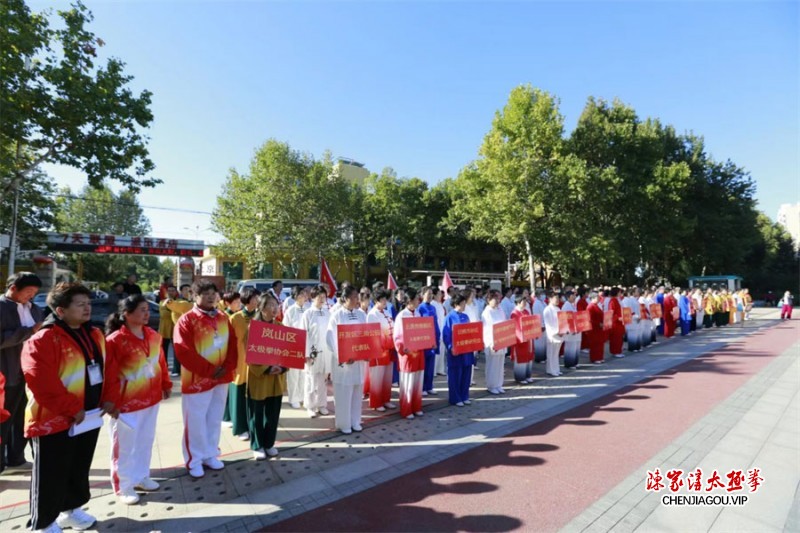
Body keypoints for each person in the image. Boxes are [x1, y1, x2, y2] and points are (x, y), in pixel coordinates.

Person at [22, 282, 116, 532]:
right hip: (53, 420)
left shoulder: (94, 333)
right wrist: (70, 408)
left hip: (88, 416)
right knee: (50, 473)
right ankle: (42, 523)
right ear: (61, 310)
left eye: (88, 303)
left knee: (78, 467)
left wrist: (108, 397)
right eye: (80, 304)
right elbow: (41, 382)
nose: (87, 309)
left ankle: (71, 511)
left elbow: (108, 368)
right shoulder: (43, 338)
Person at [103, 295, 172, 505]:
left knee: (145, 441)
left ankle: (141, 476)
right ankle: (123, 486)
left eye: (146, 310)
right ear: (127, 314)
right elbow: (109, 374)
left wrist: (166, 384)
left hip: (150, 399)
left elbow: (160, 361)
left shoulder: (152, 335)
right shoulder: (114, 340)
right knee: (124, 447)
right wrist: (111, 402)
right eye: (141, 310)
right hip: (126, 404)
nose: (146, 313)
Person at [172, 280, 238, 478]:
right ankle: (194, 459)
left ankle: (211, 454)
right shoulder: (186, 320)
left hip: (221, 378)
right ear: (194, 296)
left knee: (214, 418)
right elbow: (183, 352)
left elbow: (233, 345)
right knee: (195, 420)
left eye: (213, 293)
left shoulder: (223, 317)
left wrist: (226, 367)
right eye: (205, 293)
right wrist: (209, 370)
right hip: (197, 380)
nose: (211, 296)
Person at [0, 272, 43, 474]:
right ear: (13, 288)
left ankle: (16, 459)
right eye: (28, 291)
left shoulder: (34, 309)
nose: (31, 296)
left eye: (34, 292)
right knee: (3, 420)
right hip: (6, 373)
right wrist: (29, 332)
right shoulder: (2, 307)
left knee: (23, 419)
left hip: (29, 374)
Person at [246, 294, 287, 460]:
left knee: (273, 413)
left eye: (276, 305)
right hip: (260, 377)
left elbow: (288, 352)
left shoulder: (281, 326)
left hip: (276, 377)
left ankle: (269, 443)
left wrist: (283, 367)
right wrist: (266, 368)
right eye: (270, 305)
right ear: (261, 309)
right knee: (257, 412)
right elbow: (249, 354)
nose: (275, 308)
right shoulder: (253, 328)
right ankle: (257, 445)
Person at [326, 285, 368, 434]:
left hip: (358, 362)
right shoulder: (336, 315)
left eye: (358, 297)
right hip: (344, 363)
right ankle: (344, 423)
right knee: (344, 393)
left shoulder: (362, 315)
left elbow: (367, 336)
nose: (357, 300)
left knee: (357, 391)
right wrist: (342, 356)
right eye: (354, 297)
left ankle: (355, 420)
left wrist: (367, 352)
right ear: (345, 298)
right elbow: (331, 339)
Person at [228, 288, 261, 441]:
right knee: (239, 397)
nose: (258, 300)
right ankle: (241, 427)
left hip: (256, 365)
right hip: (240, 364)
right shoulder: (235, 319)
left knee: (255, 397)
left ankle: (254, 425)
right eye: (255, 298)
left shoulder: (261, 317)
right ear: (247, 299)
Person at [300, 286, 332, 418]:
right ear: (313, 298)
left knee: (323, 380)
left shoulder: (327, 313)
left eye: (324, 297)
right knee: (311, 380)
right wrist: (307, 354)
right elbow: (304, 334)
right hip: (312, 352)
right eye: (319, 297)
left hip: (325, 352)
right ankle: (310, 406)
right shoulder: (308, 313)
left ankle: (322, 404)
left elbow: (330, 333)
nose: (322, 300)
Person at [393, 288, 426, 419]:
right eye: (417, 298)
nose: (419, 301)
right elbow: (397, 336)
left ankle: (416, 406)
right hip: (407, 355)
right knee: (407, 382)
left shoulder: (418, 313)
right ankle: (407, 409)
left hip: (419, 353)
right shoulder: (401, 316)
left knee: (418, 381)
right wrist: (402, 348)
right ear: (410, 301)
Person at [442, 293, 475, 407]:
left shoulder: (466, 316)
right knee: (456, 374)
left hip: (466, 350)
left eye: (464, 303)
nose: (464, 305)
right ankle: (455, 398)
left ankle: (464, 395)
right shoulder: (450, 317)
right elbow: (446, 334)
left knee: (466, 373)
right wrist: (450, 347)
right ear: (456, 304)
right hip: (455, 351)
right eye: (462, 303)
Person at [366, 290, 397, 412]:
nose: (385, 301)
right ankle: (376, 402)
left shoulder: (387, 312)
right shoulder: (372, 314)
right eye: (382, 299)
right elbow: (373, 334)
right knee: (377, 377)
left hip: (389, 349)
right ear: (376, 301)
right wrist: (385, 343)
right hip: (379, 351)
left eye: (385, 299)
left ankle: (386, 399)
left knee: (387, 377)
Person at [283, 287, 309, 409]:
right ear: (294, 297)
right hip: (293, 345)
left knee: (304, 374)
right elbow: (286, 328)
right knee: (293, 374)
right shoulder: (290, 311)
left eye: (304, 294)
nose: (302, 297)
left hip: (306, 344)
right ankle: (293, 398)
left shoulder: (309, 309)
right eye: (299, 295)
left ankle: (303, 396)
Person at [416, 286, 441, 396]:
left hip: (433, 339)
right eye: (428, 294)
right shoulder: (420, 308)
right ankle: (423, 387)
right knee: (424, 364)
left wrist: (437, 337)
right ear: (422, 295)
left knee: (431, 364)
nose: (430, 296)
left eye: (431, 294)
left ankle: (429, 386)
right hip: (424, 340)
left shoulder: (433, 307)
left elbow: (435, 323)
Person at [481, 290, 507, 394]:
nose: (497, 301)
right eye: (494, 299)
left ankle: (498, 384)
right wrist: (491, 343)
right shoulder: (487, 312)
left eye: (497, 299)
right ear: (488, 300)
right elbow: (487, 330)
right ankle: (491, 385)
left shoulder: (500, 310)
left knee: (500, 364)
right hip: (492, 343)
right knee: (492, 365)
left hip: (501, 341)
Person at [164, 284, 193, 376]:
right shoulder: (180, 303)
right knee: (179, 350)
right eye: (185, 289)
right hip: (181, 330)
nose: (188, 291)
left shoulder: (190, 302)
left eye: (189, 290)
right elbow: (171, 305)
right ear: (180, 291)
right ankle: (176, 370)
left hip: (190, 331)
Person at [510, 295, 534, 383]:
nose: (525, 304)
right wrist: (522, 336)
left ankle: (527, 375)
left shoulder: (526, 311)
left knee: (528, 356)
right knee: (521, 357)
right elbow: (516, 327)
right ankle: (520, 377)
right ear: (518, 303)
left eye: (525, 302)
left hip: (528, 338)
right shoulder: (514, 313)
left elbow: (531, 322)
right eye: (523, 302)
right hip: (519, 339)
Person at [542, 292, 564, 377]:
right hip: (552, 335)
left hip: (559, 334)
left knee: (556, 353)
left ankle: (556, 369)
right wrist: (557, 331)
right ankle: (550, 370)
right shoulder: (547, 309)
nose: (558, 300)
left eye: (558, 298)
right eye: (556, 298)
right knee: (551, 353)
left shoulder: (558, 309)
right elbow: (548, 324)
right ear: (550, 299)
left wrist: (562, 330)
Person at [561, 290, 581, 369]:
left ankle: (575, 362)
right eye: (572, 296)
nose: (574, 298)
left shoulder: (572, 305)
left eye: (575, 296)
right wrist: (570, 328)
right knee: (570, 347)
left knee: (575, 347)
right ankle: (569, 364)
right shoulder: (566, 306)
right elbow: (565, 320)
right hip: (570, 331)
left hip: (575, 330)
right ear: (568, 297)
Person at [431, 287, 447, 377]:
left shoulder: (440, 304)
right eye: (439, 294)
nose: (441, 296)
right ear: (435, 295)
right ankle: (434, 370)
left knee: (442, 351)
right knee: (436, 352)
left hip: (442, 329)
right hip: (436, 330)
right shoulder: (433, 304)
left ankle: (440, 369)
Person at [586, 292, 605, 364]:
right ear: (592, 298)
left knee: (600, 343)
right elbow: (589, 319)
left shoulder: (596, 305)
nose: (599, 299)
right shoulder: (590, 307)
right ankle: (595, 358)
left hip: (599, 328)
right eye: (597, 298)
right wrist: (598, 324)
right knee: (595, 344)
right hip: (594, 328)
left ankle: (600, 357)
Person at [607, 288, 625, 357]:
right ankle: (615, 352)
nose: (620, 293)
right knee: (615, 337)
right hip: (616, 322)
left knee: (619, 337)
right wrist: (617, 318)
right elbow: (611, 312)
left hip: (620, 321)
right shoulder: (613, 301)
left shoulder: (618, 300)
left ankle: (618, 350)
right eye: (619, 292)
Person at [531, 290, 547, 363]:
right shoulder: (536, 304)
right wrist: (541, 325)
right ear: (537, 295)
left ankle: (543, 357)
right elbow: (537, 315)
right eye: (541, 294)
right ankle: (539, 358)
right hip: (539, 325)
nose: (543, 295)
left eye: (543, 294)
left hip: (545, 324)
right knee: (539, 343)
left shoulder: (543, 302)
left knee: (543, 342)